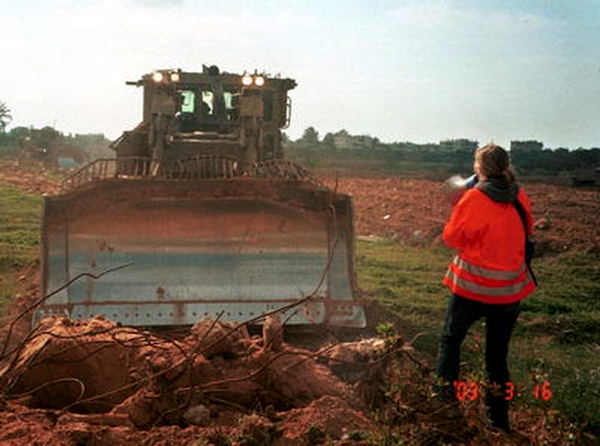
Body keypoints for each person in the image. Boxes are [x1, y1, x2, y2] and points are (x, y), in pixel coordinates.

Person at [435, 143, 536, 432]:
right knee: (496, 356)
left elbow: (452, 238)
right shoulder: (519, 196)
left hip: (474, 288)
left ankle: (444, 406)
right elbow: (527, 231)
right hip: (509, 292)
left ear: (479, 168)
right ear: (505, 166)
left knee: (450, 341)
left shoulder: (475, 197)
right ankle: (499, 422)